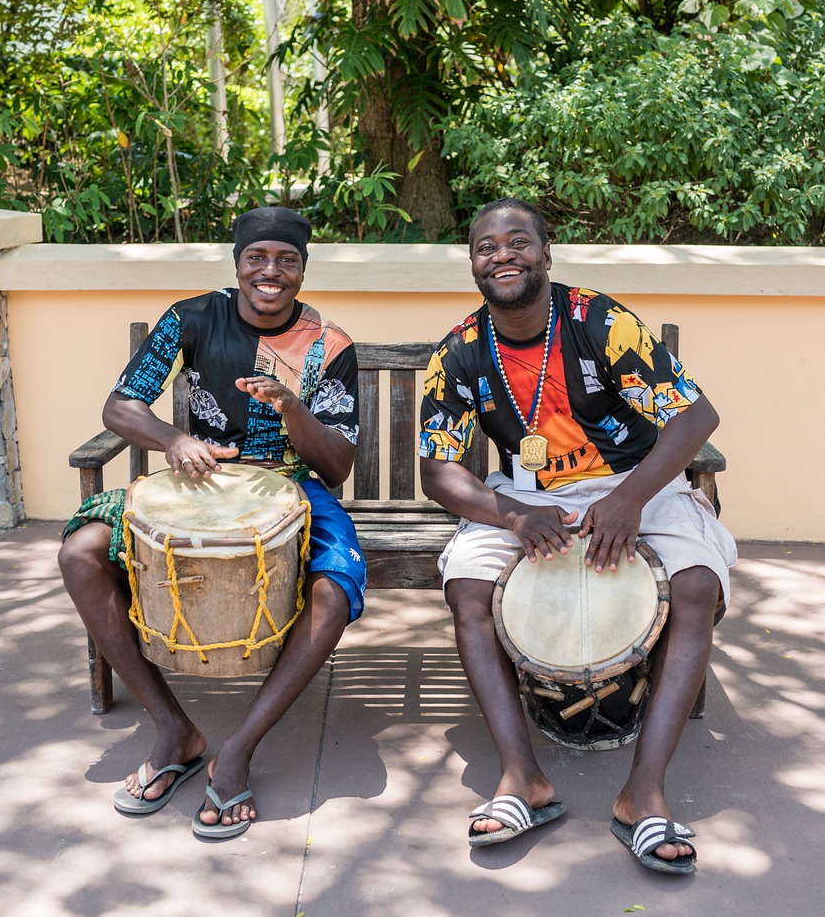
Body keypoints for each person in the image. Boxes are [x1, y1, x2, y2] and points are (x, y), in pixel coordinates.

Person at [418, 198, 736, 874]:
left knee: (697, 586)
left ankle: (642, 792)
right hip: (528, 499)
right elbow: (437, 471)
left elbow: (695, 416)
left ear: (546, 251)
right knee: (468, 589)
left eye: (517, 241)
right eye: (485, 246)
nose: (501, 254)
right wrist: (510, 514)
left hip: (635, 484)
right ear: (472, 263)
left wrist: (628, 498)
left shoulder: (600, 321)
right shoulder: (460, 352)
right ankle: (522, 778)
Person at [58, 206, 366, 839]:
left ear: (302, 271)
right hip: (192, 479)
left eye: (286, 260)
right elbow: (120, 405)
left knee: (334, 593)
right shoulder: (193, 317)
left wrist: (291, 409)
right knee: (80, 552)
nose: (270, 272)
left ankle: (237, 751)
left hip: (291, 490)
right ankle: (175, 731)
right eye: (257, 258)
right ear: (237, 265)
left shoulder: (328, 344)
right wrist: (173, 438)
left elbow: (336, 465)